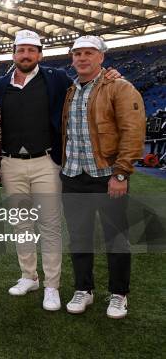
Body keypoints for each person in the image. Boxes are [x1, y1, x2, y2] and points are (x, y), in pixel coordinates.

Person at [0, 29, 121, 311]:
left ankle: (52, 285)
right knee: (21, 224)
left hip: (46, 161)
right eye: (21, 50)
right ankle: (29, 276)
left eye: (31, 50)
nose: (26, 55)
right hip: (10, 163)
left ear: (40, 54)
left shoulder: (57, 78)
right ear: (13, 53)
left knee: (49, 224)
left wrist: (111, 76)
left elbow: (90, 84)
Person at [61, 36, 145, 319]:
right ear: (72, 58)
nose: (82, 58)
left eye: (89, 53)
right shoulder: (70, 90)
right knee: (79, 237)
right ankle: (84, 288)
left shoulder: (120, 87)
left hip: (106, 175)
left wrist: (120, 173)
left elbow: (133, 131)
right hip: (73, 174)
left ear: (101, 58)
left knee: (116, 237)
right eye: (78, 53)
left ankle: (119, 293)